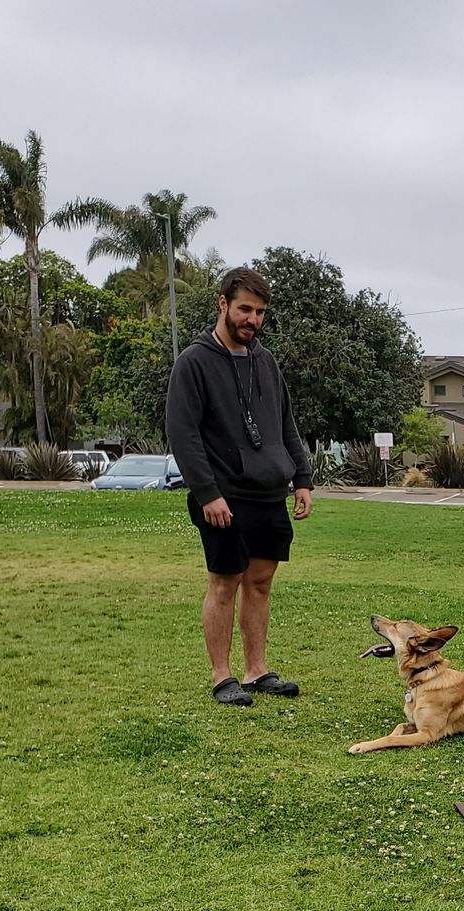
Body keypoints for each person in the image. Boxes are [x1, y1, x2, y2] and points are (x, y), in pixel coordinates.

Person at [166, 266, 314, 705]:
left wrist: (302, 478)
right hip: (224, 496)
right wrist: (207, 493)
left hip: (269, 492)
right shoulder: (194, 362)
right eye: (245, 309)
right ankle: (222, 676)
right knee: (224, 582)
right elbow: (183, 433)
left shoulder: (265, 361)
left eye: (260, 312)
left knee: (261, 582)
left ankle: (257, 671)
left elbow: (285, 423)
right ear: (223, 304)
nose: (253, 319)